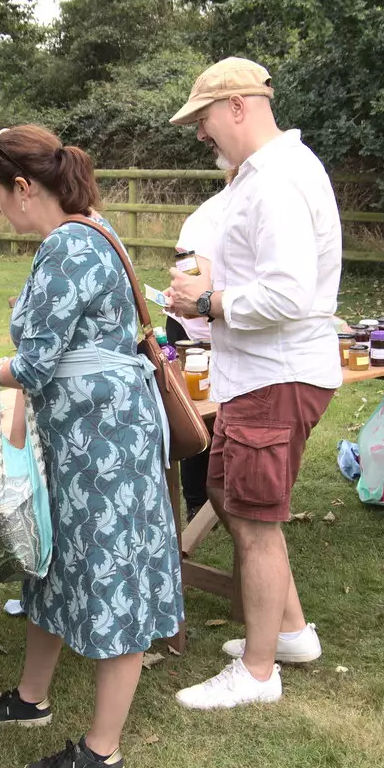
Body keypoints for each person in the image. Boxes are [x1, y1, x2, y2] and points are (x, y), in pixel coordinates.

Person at [0, 125, 183, 768]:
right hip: (89, 434)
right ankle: (31, 697)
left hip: (102, 444)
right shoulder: (93, 230)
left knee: (111, 572)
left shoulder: (67, 248)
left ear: (24, 188)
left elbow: (33, 364)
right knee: (51, 560)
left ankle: (101, 749)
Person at [162, 57, 342, 710]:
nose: (202, 134)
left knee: (256, 518)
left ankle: (260, 672)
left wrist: (210, 302)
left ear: (237, 106)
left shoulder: (277, 181)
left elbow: (289, 294)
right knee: (227, 492)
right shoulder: (264, 177)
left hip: (277, 373)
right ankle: (288, 633)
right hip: (262, 372)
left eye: (204, 118)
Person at [163, 169, 235, 518]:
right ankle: (195, 504)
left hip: (233, 329)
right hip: (193, 335)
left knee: (223, 411)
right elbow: (192, 289)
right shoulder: (203, 222)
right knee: (197, 417)